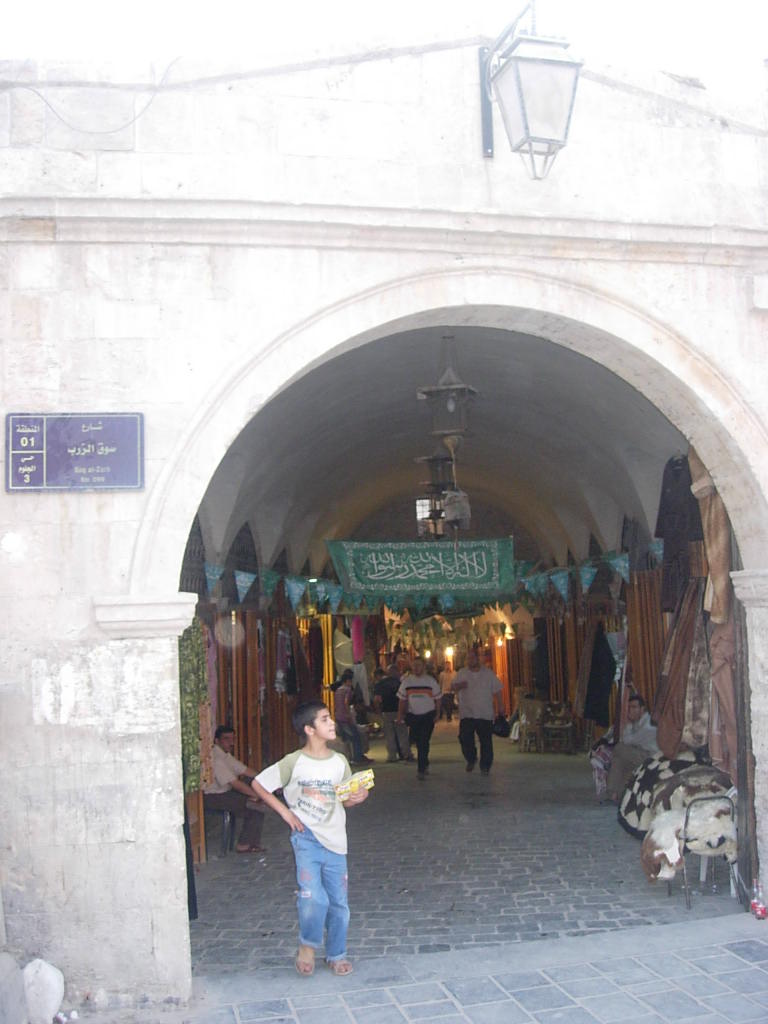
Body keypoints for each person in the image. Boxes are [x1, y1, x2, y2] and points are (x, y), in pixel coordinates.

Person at [250, 700, 369, 978]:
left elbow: (345, 798)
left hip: (337, 841)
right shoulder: (294, 762)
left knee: (339, 903)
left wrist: (357, 797)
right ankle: (308, 945)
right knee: (313, 897)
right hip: (306, 839)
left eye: (331, 718)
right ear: (309, 729)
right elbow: (259, 784)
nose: (332, 723)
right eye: (325, 719)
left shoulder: (339, 761)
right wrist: (285, 812)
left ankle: (337, 954)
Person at [203, 725, 265, 853]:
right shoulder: (216, 758)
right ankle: (244, 844)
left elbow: (245, 770)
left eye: (232, 739)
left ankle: (250, 842)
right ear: (217, 741)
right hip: (214, 796)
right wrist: (258, 795)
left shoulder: (225, 755)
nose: (231, 742)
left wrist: (266, 780)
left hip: (225, 792)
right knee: (255, 808)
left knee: (253, 787)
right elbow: (235, 783)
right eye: (226, 739)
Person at [452, 648, 504, 775]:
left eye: (472, 658)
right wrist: (459, 686)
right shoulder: (462, 673)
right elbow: (453, 687)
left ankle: (485, 765)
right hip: (467, 713)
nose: (470, 661)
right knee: (465, 738)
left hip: (484, 713)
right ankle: (471, 758)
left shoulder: (488, 674)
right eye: (468, 658)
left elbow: (497, 690)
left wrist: (500, 707)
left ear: (478, 659)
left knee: (486, 741)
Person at [606, 693, 660, 802]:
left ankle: (613, 792)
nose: (631, 710)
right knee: (620, 760)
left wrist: (629, 724)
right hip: (638, 754)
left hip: (651, 757)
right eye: (629, 707)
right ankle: (617, 794)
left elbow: (627, 740)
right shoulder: (639, 722)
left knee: (619, 748)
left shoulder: (649, 725)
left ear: (642, 709)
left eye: (634, 707)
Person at [396, 656, 441, 780]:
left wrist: (437, 713)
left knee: (424, 741)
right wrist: (400, 715)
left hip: (427, 715)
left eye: (419, 665)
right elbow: (402, 700)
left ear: (423, 667)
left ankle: (421, 768)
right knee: (417, 740)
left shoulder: (430, 681)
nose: (416, 668)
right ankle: (424, 762)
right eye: (414, 665)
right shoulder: (407, 682)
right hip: (413, 716)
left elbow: (437, 698)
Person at [333, 670, 374, 765]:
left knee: (346, 739)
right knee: (356, 737)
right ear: (348, 681)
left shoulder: (338, 690)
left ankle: (350, 757)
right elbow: (347, 702)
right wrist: (349, 715)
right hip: (346, 717)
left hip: (339, 717)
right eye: (351, 681)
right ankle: (357, 758)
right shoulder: (347, 690)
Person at [372, 666, 409, 762]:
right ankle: (406, 754)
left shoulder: (380, 684)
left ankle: (392, 756)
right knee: (402, 734)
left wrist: (378, 711)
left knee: (389, 735)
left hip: (386, 711)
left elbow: (376, 699)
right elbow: (404, 697)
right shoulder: (399, 683)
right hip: (398, 710)